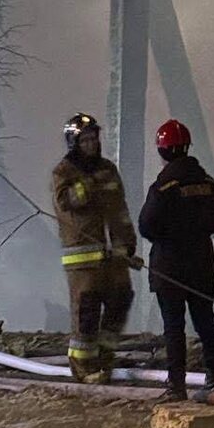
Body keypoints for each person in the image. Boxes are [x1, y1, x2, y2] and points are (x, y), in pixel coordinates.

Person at [139, 119, 214, 402]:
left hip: (170, 268)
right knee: (205, 323)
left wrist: (172, 233)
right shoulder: (208, 184)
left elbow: (146, 226)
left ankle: (176, 387)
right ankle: (213, 379)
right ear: (187, 147)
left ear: (162, 150)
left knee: (174, 327)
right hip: (202, 265)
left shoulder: (163, 187)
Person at [51, 113, 141, 383]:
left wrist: (128, 245)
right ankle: (83, 368)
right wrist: (90, 183)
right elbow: (65, 202)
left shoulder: (108, 169)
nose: (91, 144)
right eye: (85, 140)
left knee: (121, 300)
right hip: (84, 261)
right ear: (74, 143)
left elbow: (120, 210)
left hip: (114, 256)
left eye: (93, 138)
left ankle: (104, 357)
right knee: (86, 313)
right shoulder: (64, 171)